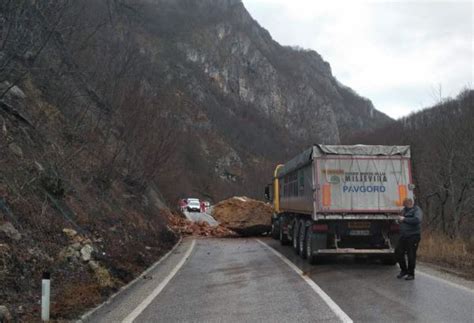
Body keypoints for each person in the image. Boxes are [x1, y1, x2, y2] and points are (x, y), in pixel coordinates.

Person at [395, 198, 423, 280]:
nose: (404, 205)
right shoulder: (404, 210)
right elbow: (400, 218)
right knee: (398, 252)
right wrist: (398, 220)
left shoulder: (416, 210)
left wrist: (404, 219)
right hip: (403, 236)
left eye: (405, 204)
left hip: (413, 235)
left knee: (411, 255)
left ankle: (411, 274)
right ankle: (403, 270)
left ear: (410, 203)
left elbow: (417, 220)